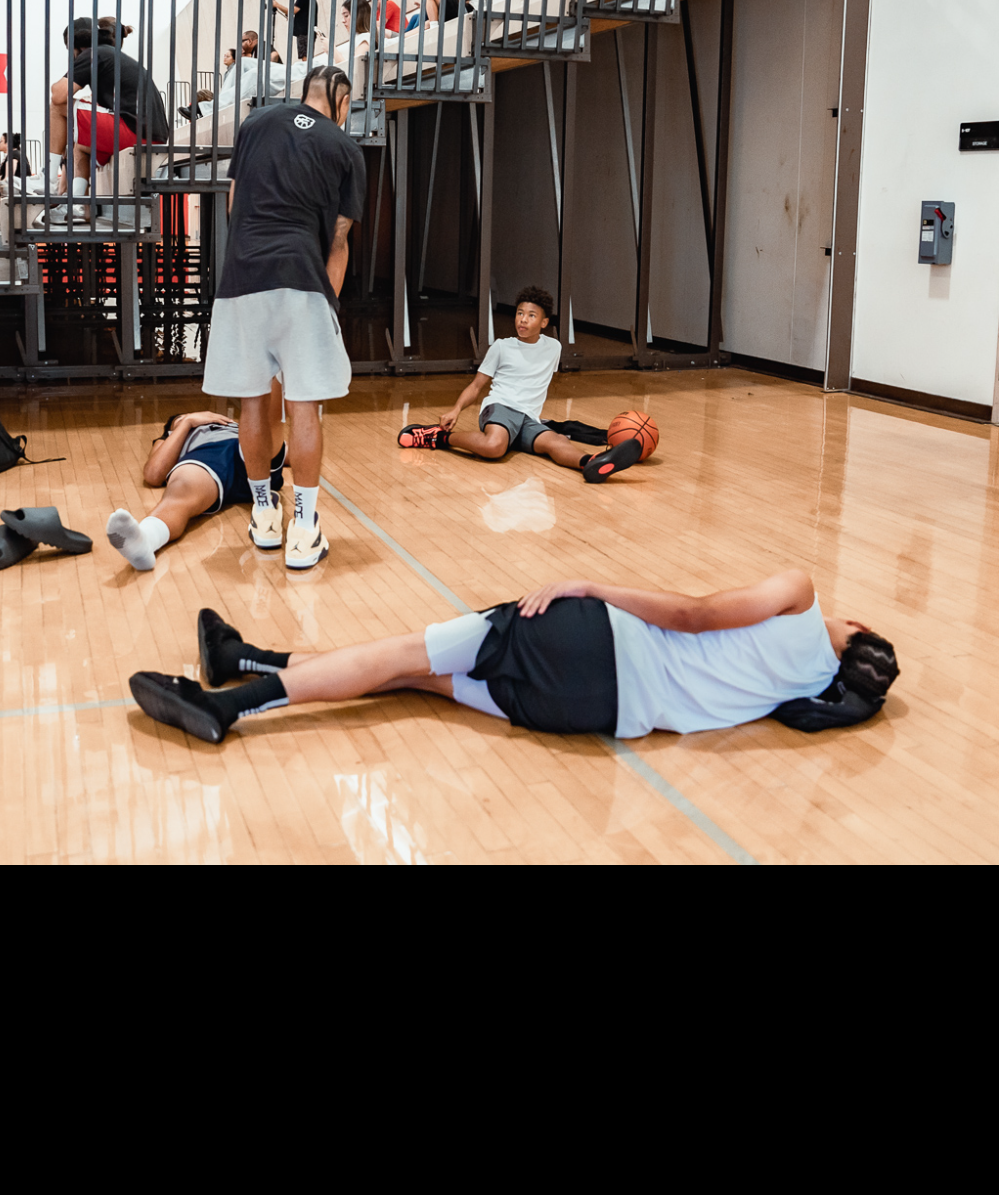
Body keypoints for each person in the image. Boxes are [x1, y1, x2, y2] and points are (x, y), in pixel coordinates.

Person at [127, 571, 901, 749]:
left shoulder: (803, 595)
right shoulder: (801, 696)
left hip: (593, 639)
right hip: (595, 715)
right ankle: (247, 657)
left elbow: (695, 616)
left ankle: (228, 705)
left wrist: (591, 583)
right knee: (416, 674)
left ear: (854, 626)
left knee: (403, 649)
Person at [200, 61, 365, 574]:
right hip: (302, 278)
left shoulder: (254, 125)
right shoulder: (344, 148)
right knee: (304, 408)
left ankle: (266, 517)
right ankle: (305, 527)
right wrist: (328, 305)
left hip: (243, 275)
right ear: (341, 101)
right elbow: (338, 240)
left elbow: (233, 201)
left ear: (303, 91)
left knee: (253, 403)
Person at [398, 289, 643, 482]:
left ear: (544, 322)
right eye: (519, 313)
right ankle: (439, 438)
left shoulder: (553, 348)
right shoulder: (502, 347)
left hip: (528, 418)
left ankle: (592, 462)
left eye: (531, 315)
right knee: (494, 447)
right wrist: (455, 410)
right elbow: (476, 386)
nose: (523, 320)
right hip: (500, 407)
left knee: (557, 442)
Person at [106, 383, 287, 572]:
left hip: (246, 450)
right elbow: (153, 474)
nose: (204, 417)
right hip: (206, 461)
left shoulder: (240, 428)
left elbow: (285, 454)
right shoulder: (173, 436)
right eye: (181, 417)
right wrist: (186, 423)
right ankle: (146, 541)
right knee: (181, 491)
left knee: (264, 423)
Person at [50, 16, 167, 192]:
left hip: (136, 131)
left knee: (57, 108)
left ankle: (48, 178)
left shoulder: (93, 53)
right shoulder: (110, 55)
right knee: (81, 146)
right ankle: (76, 204)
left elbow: (58, 96)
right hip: (151, 134)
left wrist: (71, 69)